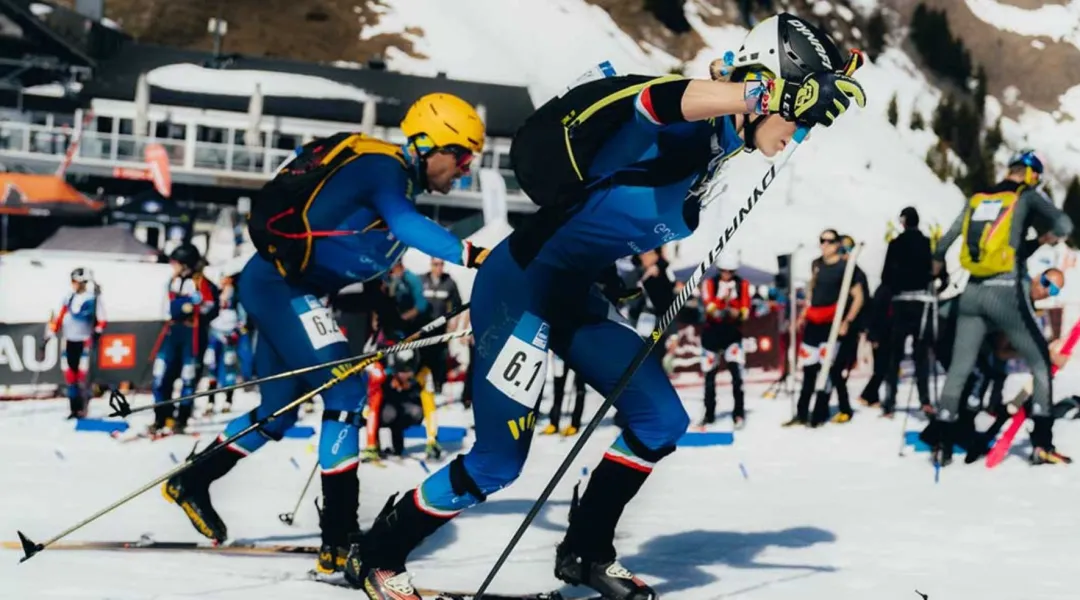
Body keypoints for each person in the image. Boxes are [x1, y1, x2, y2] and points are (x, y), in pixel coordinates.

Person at [346, 14, 865, 599]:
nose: (798, 135)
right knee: (497, 463)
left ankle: (586, 551)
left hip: (576, 295)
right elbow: (654, 102)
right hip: (521, 285)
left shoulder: (716, 151)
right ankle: (379, 551)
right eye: (799, 119)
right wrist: (764, 94)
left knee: (660, 420)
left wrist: (625, 276)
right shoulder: (688, 126)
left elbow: (611, 217)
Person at [161, 93, 490, 576]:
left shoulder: (395, 187)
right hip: (279, 287)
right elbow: (406, 225)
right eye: (461, 156)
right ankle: (339, 536)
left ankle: (192, 479)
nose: (464, 169)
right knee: (347, 391)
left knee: (279, 412)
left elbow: (362, 265)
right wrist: (479, 257)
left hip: (281, 287)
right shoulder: (385, 170)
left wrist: (393, 323)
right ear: (427, 144)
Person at [923, 149, 1073, 467]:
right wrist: (1051, 236)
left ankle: (943, 444)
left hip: (972, 292)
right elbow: (1064, 223)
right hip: (1006, 291)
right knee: (1041, 362)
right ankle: (1042, 444)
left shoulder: (978, 199)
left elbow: (946, 240)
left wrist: (935, 268)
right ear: (1031, 173)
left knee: (959, 370)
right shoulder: (1025, 196)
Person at [785, 228, 864, 427]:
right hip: (814, 322)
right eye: (822, 240)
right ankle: (802, 413)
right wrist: (803, 314)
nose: (825, 245)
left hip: (832, 323)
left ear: (837, 244)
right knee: (809, 370)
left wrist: (847, 321)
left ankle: (823, 413)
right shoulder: (816, 264)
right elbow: (812, 292)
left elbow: (858, 296)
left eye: (829, 241)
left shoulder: (846, 267)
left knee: (828, 370)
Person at [151, 244, 219, 435]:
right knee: (161, 375)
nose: (173, 266)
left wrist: (197, 307)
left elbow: (211, 308)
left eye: (176, 263)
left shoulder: (202, 283)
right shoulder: (172, 281)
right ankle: (161, 416)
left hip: (193, 333)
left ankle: (182, 418)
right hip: (173, 332)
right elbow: (169, 307)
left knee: (188, 377)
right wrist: (185, 305)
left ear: (186, 264)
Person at [878, 206, 934, 417]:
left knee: (895, 355)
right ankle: (925, 399)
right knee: (922, 355)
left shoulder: (896, 244)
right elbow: (936, 271)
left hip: (900, 302)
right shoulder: (927, 243)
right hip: (922, 302)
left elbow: (886, 276)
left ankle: (889, 402)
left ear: (903, 222)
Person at [816, 234, 867, 423]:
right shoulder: (835, 269)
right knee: (826, 368)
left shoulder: (855, 272)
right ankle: (822, 408)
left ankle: (844, 408)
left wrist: (849, 322)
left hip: (847, 329)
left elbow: (861, 300)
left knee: (836, 369)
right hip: (830, 327)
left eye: (847, 250)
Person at [700, 254, 751, 428]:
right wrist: (722, 303)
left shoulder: (742, 284)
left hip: (732, 335)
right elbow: (710, 308)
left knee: (737, 376)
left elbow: (745, 309)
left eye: (731, 272)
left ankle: (739, 413)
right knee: (709, 377)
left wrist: (738, 312)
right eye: (724, 271)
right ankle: (709, 414)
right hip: (711, 335)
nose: (727, 275)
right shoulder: (709, 283)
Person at [47, 268, 105, 419]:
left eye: (76, 282)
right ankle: (73, 408)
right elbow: (59, 317)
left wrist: (97, 332)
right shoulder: (69, 297)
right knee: (70, 376)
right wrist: (50, 333)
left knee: (82, 376)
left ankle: (83, 408)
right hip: (69, 340)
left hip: (84, 341)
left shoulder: (92, 298)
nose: (74, 284)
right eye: (72, 281)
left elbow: (102, 319)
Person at [203, 274, 246, 414]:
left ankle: (228, 400)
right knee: (212, 364)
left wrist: (237, 331)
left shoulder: (237, 295)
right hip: (215, 332)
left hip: (229, 334)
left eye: (225, 278)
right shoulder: (215, 291)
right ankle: (210, 401)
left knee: (229, 365)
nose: (223, 281)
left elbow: (242, 316)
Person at [420, 257, 463, 393]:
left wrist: (454, 322)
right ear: (431, 264)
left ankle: (438, 385)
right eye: (435, 264)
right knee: (422, 357)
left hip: (440, 328)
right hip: (422, 328)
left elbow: (457, 305)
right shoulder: (422, 280)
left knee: (440, 357)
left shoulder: (449, 282)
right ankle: (420, 387)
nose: (438, 267)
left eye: (441, 264)